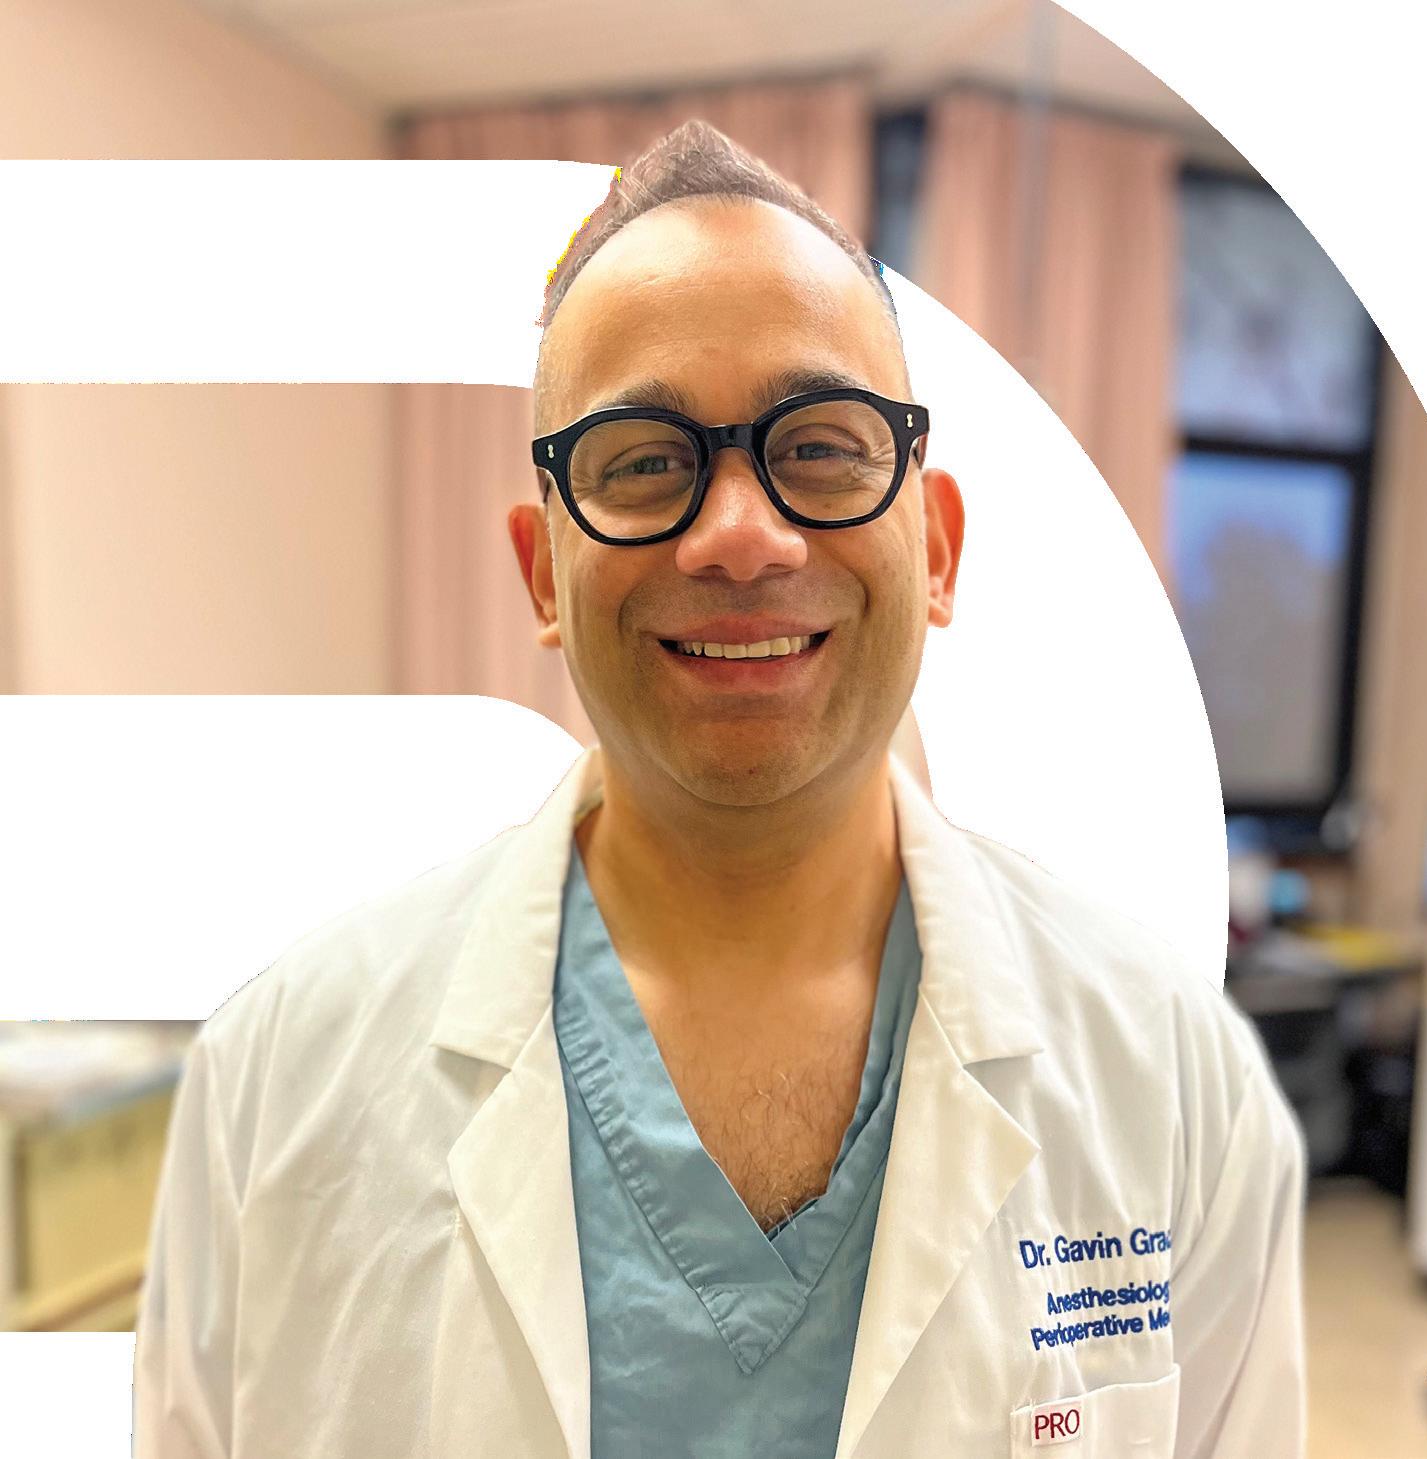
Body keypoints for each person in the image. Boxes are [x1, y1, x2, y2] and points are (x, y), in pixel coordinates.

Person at [133, 120, 1306, 1459]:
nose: (741, 537)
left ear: (935, 548)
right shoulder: (275, 1080)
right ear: (541, 576)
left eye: (820, 448)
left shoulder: (1171, 1076)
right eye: (643, 459)